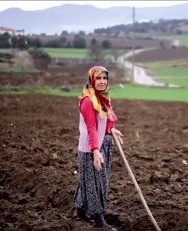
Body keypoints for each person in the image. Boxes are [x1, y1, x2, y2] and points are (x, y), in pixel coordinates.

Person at [73, 66, 123, 230]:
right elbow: (91, 128)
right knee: (96, 184)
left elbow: (104, 122)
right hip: (91, 148)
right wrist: (95, 151)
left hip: (102, 144)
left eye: (105, 78)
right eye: (98, 78)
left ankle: (80, 208)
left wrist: (111, 130)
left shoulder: (102, 99)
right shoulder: (88, 101)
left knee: (93, 181)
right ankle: (99, 220)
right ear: (92, 80)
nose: (102, 82)